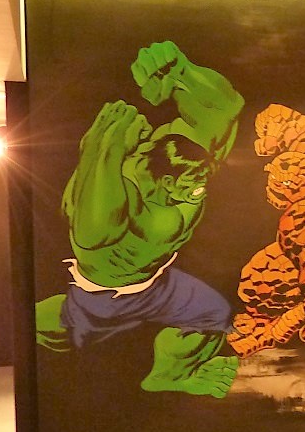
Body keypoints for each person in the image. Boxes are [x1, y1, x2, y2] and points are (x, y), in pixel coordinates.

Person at [34, 41, 244, 398]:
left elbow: (225, 107)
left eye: (203, 178)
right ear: (166, 182)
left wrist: (182, 73)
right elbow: (90, 233)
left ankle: (168, 375)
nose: (201, 187)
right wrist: (104, 148)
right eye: (192, 182)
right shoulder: (133, 195)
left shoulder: (183, 162)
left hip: (159, 284)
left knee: (215, 317)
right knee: (56, 325)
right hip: (107, 297)